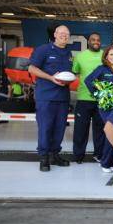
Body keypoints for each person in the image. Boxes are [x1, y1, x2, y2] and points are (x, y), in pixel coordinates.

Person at [28, 25, 72, 172]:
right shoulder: (43, 50)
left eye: (67, 34)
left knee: (59, 128)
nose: (64, 36)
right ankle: (43, 157)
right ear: (55, 34)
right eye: (61, 33)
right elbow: (32, 69)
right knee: (45, 128)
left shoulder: (68, 53)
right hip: (46, 96)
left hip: (63, 97)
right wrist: (50, 78)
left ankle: (54, 155)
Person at [85, 46, 113, 173]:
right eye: (111, 55)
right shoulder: (101, 69)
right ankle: (105, 163)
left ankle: (109, 160)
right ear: (106, 56)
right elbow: (88, 81)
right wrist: (98, 95)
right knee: (110, 132)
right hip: (106, 107)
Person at [71, 32, 105, 164]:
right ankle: (78, 156)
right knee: (80, 130)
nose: (96, 41)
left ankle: (99, 155)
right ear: (88, 42)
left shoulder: (105, 56)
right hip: (84, 99)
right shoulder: (80, 57)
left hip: (101, 98)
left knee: (100, 130)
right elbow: (75, 73)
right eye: (93, 40)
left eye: (98, 40)